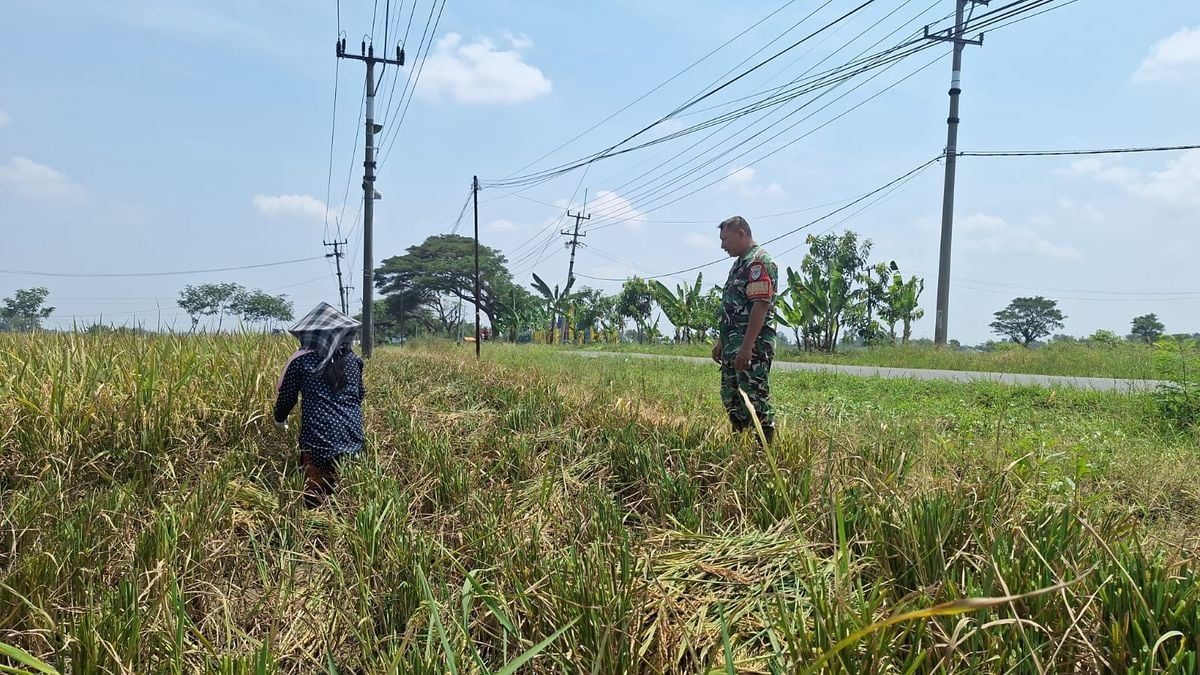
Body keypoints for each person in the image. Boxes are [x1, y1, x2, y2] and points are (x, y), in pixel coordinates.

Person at [274, 302, 366, 506]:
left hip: (317, 438)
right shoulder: (354, 360)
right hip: (352, 435)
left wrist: (279, 420)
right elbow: (359, 395)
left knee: (314, 497)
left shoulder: (301, 361)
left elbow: (286, 398)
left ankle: (314, 527)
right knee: (348, 494)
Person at [711, 216, 778, 445]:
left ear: (741, 233)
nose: (722, 246)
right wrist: (722, 342)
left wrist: (747, 347)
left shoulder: (759, 262)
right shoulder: (739, 264)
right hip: (733, 346)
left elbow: (760, 306)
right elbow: (732, 308)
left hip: (752, 347)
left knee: (754, 397)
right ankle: (740, 445)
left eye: (725, 239)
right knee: (731, 397)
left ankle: (765, 451)